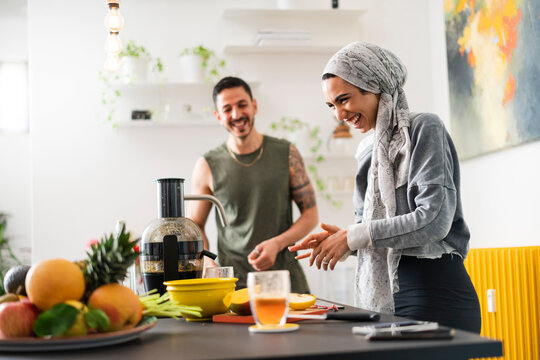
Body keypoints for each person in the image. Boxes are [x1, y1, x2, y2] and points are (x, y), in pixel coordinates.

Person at [289, 42, 481, 333]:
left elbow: (434, 220)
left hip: (436, 294)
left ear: (375, 86)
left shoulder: (424, 128)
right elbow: (369, 231)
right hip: (388, 301)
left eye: (344, 100)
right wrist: (340, 241)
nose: (339, 115)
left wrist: (354, 236)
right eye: (332, 106)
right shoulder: (367, 151)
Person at [189, 76, 318, 293]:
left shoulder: (287, 153)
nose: (237, 114)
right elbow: (195, 225)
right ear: (218, 116)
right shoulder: (207, 165)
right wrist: (206, 260)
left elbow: (310, 214)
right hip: (234, 285)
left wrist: (277, 244)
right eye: (227, 109)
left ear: (254, 105)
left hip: (286, 281)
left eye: (242, 105)